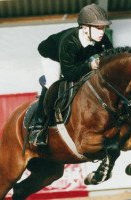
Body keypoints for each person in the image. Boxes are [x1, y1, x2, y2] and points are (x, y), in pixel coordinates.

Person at [30, 3, 113, 146]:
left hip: (79, 56)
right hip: (52, 55)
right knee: (53, 82)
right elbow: (69, 74)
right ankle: (38, 126)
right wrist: (89, 65)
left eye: (103, 27)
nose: (102, 32)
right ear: (85, 28)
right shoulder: (70, 41)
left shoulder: (103, 40)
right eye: (98, 27)